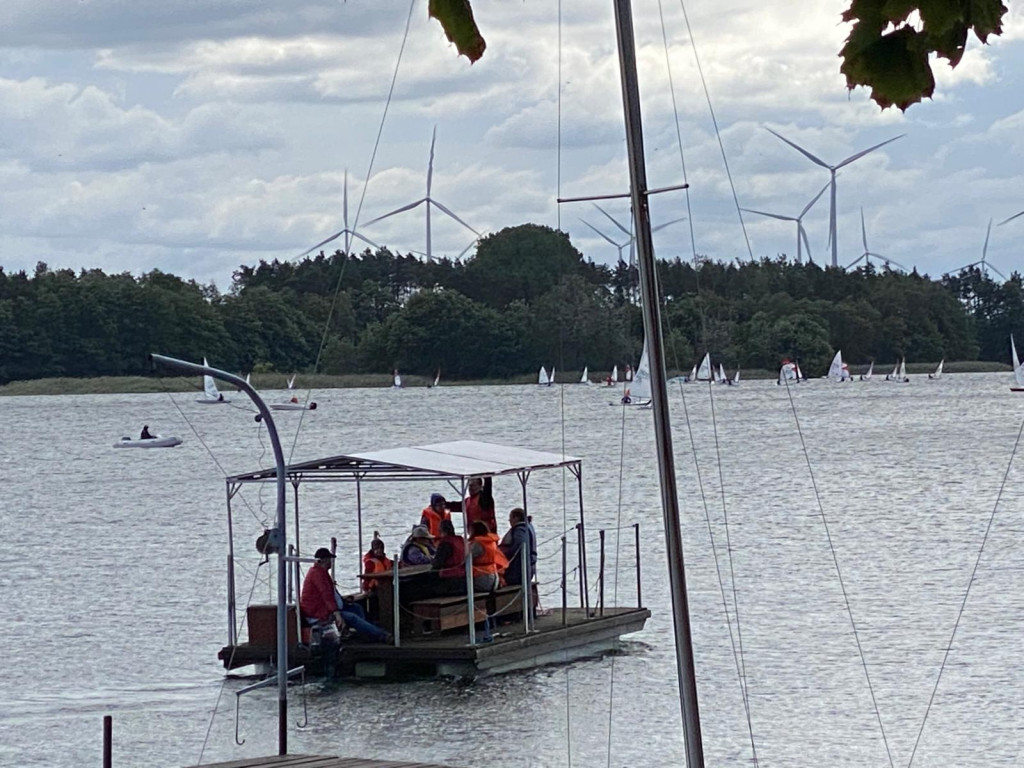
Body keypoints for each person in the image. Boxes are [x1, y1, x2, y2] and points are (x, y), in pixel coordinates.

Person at [499, 507, 537, 587]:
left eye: (510, 518)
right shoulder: (528, 526)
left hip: (519, 572)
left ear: (516, 518)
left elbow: (518, 546)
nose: (509, 521)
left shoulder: (520, 530)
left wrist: (503, 555)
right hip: (528, 568)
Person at [469, 520, 508, 594]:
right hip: (494, 578)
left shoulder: (477, 544)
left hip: (482, 579)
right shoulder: (491, 542)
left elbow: (465, 559)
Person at [430, 519, 468, 595]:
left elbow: (437, 564)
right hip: (464, 578)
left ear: (441, 530)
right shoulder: (461, 540)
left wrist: (432, 563)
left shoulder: (445, 543)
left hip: (449, 579)